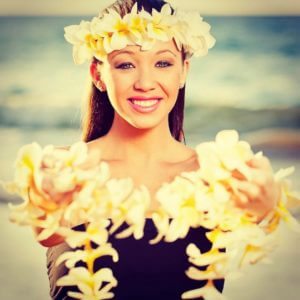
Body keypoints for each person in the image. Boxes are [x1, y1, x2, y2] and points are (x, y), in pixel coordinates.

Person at [37, 0, 280, 299]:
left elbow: (254, 226)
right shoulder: (64, 169)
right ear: (98, 74)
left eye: (163, 63)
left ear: (183, 72)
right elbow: (48, 233)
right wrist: (52, 204)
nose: (145, 83)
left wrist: (264, 209)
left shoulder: (216, 176)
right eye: (126, 64)